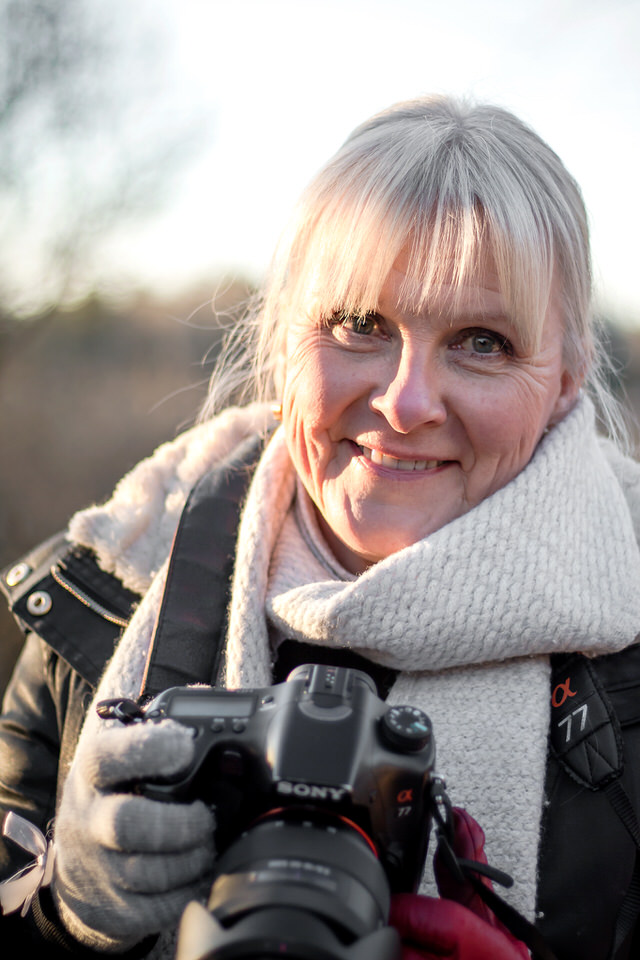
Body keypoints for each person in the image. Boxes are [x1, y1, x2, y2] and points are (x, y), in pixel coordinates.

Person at [1, 94, 640, 960]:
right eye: (360, 324)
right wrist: (65, 905)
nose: (407, 403)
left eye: (481, 341)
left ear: (567, 375)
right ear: (285, 340)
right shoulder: (110, 586)